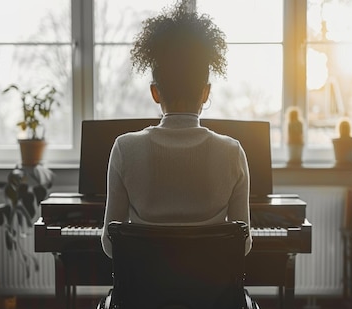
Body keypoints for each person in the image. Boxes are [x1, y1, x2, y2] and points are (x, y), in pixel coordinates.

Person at [101, 2, 251, 257]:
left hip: (142, 297)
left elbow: (109, 245)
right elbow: (243, 246)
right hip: (211, 297)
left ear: (155, 92)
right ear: (205, 93)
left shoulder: (124, 149)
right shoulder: (232, 153)